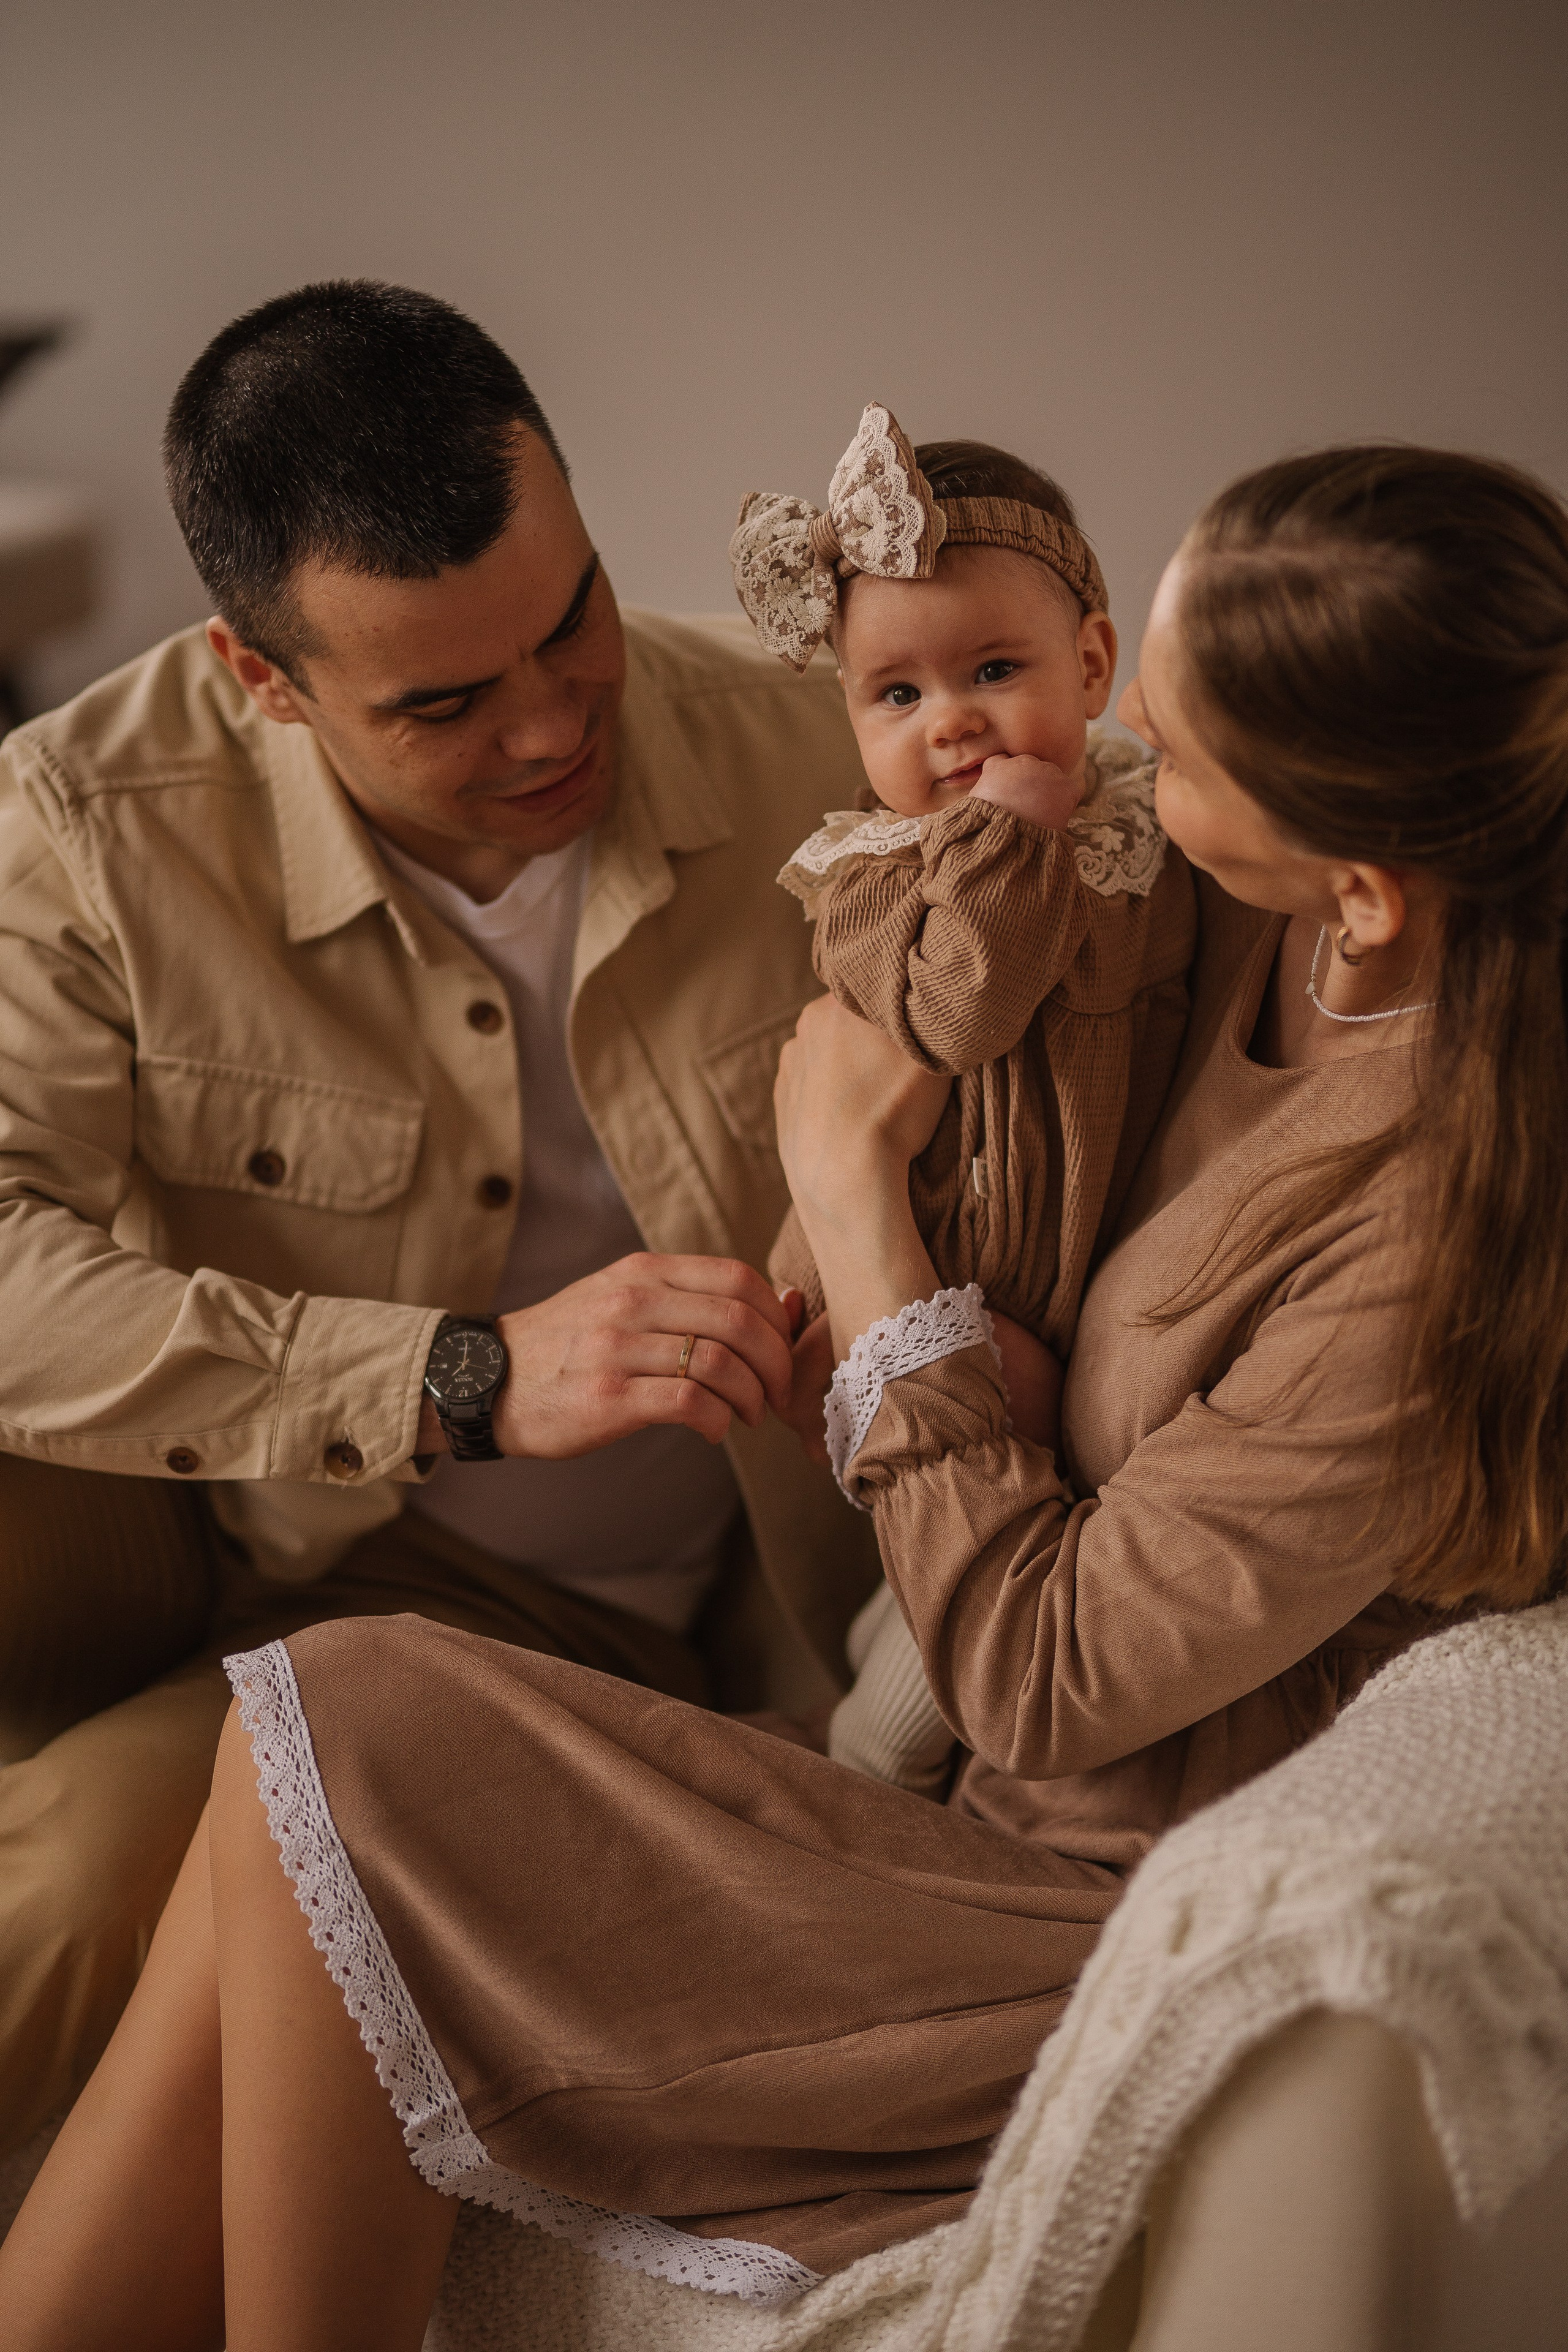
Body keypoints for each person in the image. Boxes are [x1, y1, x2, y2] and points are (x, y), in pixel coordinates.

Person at [8, 440, 1566, 2352]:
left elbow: (1055, 1676)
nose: (1126, 723)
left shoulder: (1435, 1222)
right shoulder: (1247, 928)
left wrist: (847, 1194)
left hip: (1063, 1912)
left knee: (342, 1718)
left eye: (1184, 719)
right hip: (952, 1794)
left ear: (1367, 880)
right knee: (292, 1757)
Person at [0, 279, 881, 2161]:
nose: (558, 721)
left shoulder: (818, 749)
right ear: (264, 680)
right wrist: (463, 1374)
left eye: (569, 622)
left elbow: (1212, 822)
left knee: (65, 1897)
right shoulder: (89, 814)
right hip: (168, 1524)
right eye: (446, 704)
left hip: (522, 1619)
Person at [734, 402, 1196, 1794]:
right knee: (1003, 1492)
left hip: (1089, 1267)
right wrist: (1006, 829)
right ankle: (861, 1772)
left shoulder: (1152, 829)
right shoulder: (874, 880)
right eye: (895, 696)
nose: (949, 725)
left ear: (1094, 662)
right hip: (938, 1290)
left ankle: (900, 1639)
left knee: (1062, 1483)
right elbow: (962, 1009)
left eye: (993, 669)